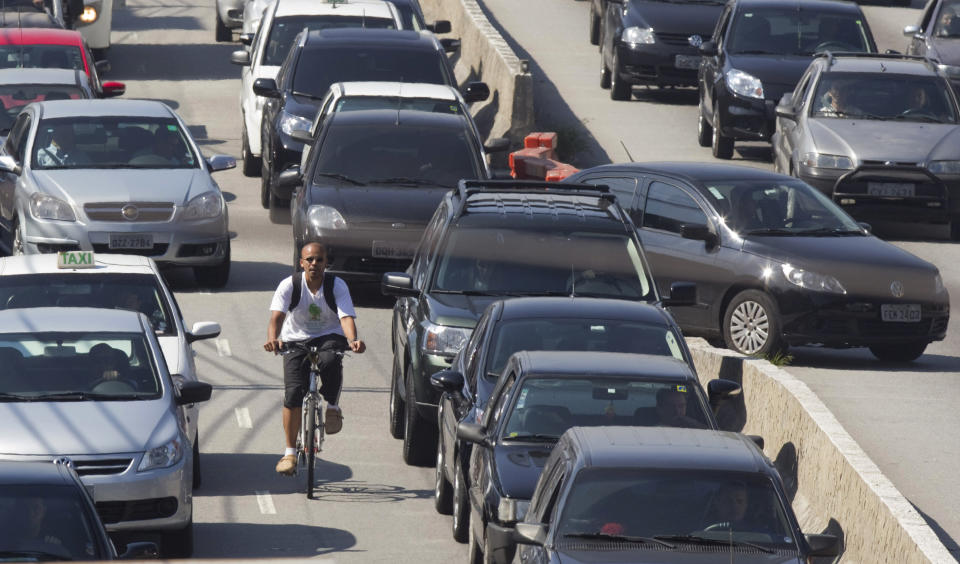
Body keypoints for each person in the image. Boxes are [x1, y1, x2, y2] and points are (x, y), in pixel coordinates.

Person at [264, 242, 366, 475]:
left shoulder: (337, 285)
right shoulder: (289, 285)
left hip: (328, 336)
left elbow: (346, 317)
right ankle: (289, 453)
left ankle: (332, 406)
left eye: (319, 260)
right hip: (294, 339)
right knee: (292, 393)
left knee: (331, 360)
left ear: (326, 263)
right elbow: (276, 318)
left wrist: (353, 340)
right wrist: (273, 339)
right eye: (309, 260)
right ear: (301, 263)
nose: (314, 264)